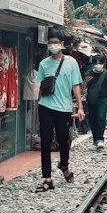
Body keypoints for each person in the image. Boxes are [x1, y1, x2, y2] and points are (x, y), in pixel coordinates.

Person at [35, 34, 84, 191]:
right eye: (50, 43)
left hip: (63, 108)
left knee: (64, 140)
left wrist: (80, 107)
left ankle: (64, 166)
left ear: (62, 45)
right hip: (46, 106)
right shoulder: (43, 64)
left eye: (55, 43)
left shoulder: (71, 63)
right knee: (46, 142)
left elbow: (76, 86)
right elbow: (40, 86)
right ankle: (47, 178)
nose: (52, 46)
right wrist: (37, 107)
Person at [85, 55, 107, 150]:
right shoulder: (89, 74)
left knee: (101, 117)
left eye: (100, 63)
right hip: (92, 99)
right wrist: (85, 82)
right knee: (93, 119)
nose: (98, 65)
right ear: (93, 64)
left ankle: (100, 140)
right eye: (96, 63)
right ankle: (95, 140)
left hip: (103, 99)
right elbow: (83, 88)